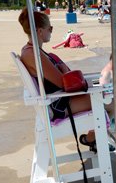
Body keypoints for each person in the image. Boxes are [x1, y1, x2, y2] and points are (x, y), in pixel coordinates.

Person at [18, 8, 100, 150]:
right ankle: (92, 139)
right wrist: (62, 67)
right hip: (57, 105)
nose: (51, 31)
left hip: (56, 101)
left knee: (110, 101)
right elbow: (63, 83)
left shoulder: (34, 51)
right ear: (39, 31)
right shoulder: (34, 54)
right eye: (50, 28)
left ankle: (93, 139)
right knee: (112, 103)